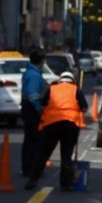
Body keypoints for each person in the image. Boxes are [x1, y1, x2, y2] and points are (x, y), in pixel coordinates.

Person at [24, 71, 87, 191]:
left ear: (60, 80)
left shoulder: (52, 89)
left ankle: (32, 180)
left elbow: (43, 104)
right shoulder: (76, 90)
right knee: (66, 155)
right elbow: (84, 108)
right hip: (70, 125)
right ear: (72, 81)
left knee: (43, 154)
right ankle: (65, 184)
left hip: (51, 125)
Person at [20, 48, 47, 177]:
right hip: (31, 109)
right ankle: (31, 168)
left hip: (28, 108)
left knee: (30, 139)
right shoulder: (34, 75)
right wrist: (39, 109)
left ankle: (28, 167)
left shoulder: (30, 73)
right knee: (34, 140)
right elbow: (33, 95)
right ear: (41, 61)